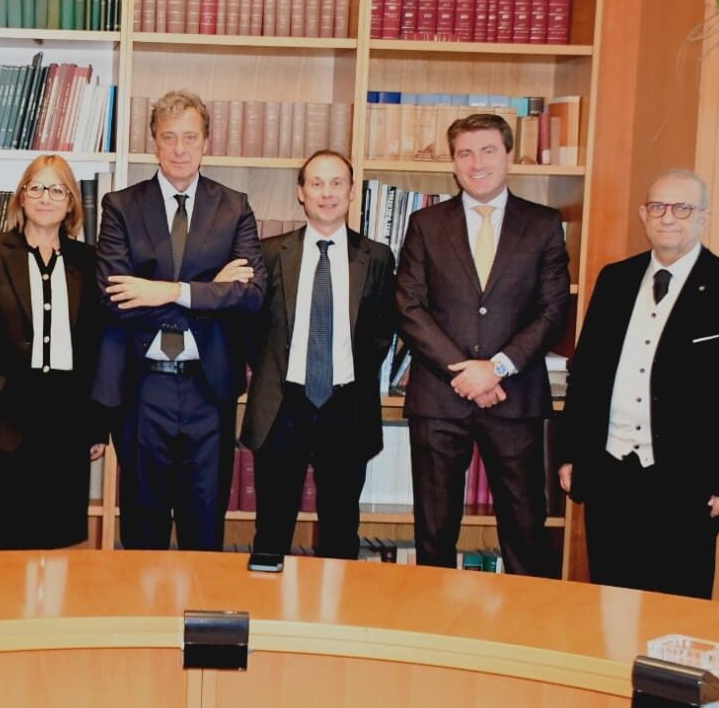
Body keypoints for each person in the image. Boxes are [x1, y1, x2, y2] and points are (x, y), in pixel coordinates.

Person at [558, 169, 719, 599]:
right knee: (611, 601)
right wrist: (571, 454)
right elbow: (586, 375)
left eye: (682, 208)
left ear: (704, 217)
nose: (668, 217)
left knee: (679, 604)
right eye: (657, 207)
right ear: (644, 214)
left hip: (688, 480)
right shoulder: (615, 280)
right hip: (610, 471)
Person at [395, 113, 569, 576]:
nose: (477, 163)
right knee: (434, 531)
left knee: (526, 529)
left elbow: (553, 312)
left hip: (515, 397)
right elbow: (409, 306)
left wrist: (496, 368)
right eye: (465, 153)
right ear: (453, 162)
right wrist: (464, 370)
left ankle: (526, 618)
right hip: (440, 398)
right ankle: (437, 619)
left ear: (509, 156)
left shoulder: (544, 224)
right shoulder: (426, 224)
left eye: (488, 151)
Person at [92, 89, 266, 550]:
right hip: (142, 388)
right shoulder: (121, 206)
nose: (180, 149)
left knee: (204, 528)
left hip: (209, 388)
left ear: (206, 142)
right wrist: (211, 291)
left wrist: (166, 291)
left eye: (190, 137)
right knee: (142, 528)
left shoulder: (235, 207)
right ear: (154, 142)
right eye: (169, 137)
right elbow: (114, 298)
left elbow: (251, 295)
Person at [241, 150, 396, 559]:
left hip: (347, 408)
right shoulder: (269, 253)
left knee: (341, 531)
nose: (327, 193)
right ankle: (269, 599)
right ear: (301, 192)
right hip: (282, 406)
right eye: (316, 183)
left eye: (337, 183)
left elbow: (381, 333)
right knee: (271, 531)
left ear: (351, 191)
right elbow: (250, 330)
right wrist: (276, 372)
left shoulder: (377, 257)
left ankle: (335, 601)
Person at [0, 155, 108, 550]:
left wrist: (96, 425)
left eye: (57, 189)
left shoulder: (88, 261)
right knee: (6, 537)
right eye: (36, 187)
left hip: (67, 419)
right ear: (21, 197)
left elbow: (96, 347)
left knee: (60, 538)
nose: (45, 197)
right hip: (4, 416)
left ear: (71, 202)